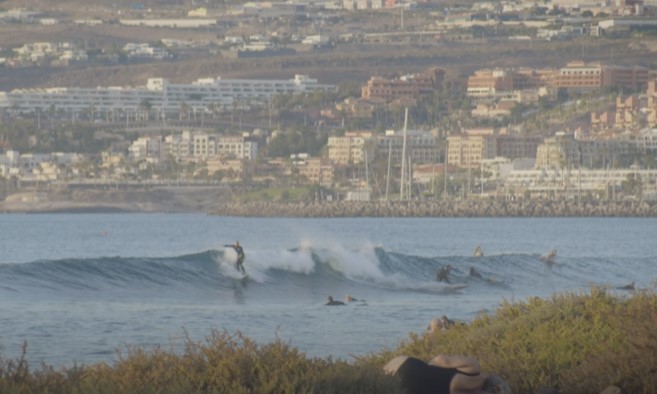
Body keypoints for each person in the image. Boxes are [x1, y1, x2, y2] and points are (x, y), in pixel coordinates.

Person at [384, 354, 510, 394]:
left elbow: (441, 360)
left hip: (404, 366)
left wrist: (429, 370)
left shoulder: (473, 368)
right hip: (403, 389)